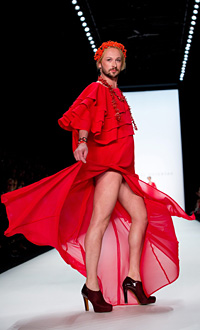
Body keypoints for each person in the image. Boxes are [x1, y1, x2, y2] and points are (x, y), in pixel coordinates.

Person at [1, 41, 195, 313]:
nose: (114, 64)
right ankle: (92, 285)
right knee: (99, 221)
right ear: (100, 63)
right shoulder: (96, 89)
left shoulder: (118, 93)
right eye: (109, 60)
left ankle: (133, 278)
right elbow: (83, 113)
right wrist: (81, 141)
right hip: (108, 163)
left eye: (118, 60)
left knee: (141, 217)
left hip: (123, 166)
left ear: (122, 64)